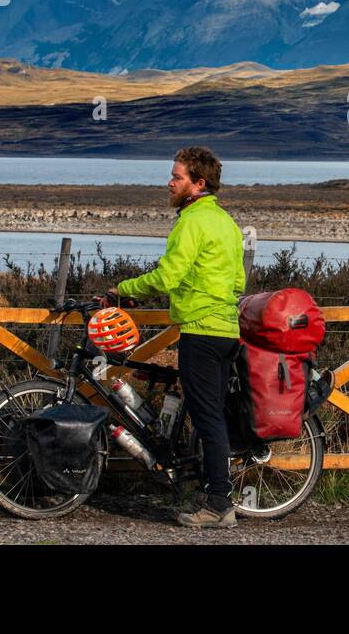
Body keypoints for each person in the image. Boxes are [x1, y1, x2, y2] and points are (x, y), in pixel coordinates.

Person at [103, 146, 245, 529]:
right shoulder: (227, 224)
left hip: (201, 329)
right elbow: (238, 282)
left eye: (177, 177)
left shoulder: (191, 223)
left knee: (208, 418)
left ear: (198, 184)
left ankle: (219, 505)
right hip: (226, 330)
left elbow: (167, 276)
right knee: (209, 415)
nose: (169, 182)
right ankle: (212, 494)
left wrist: (123, 289)